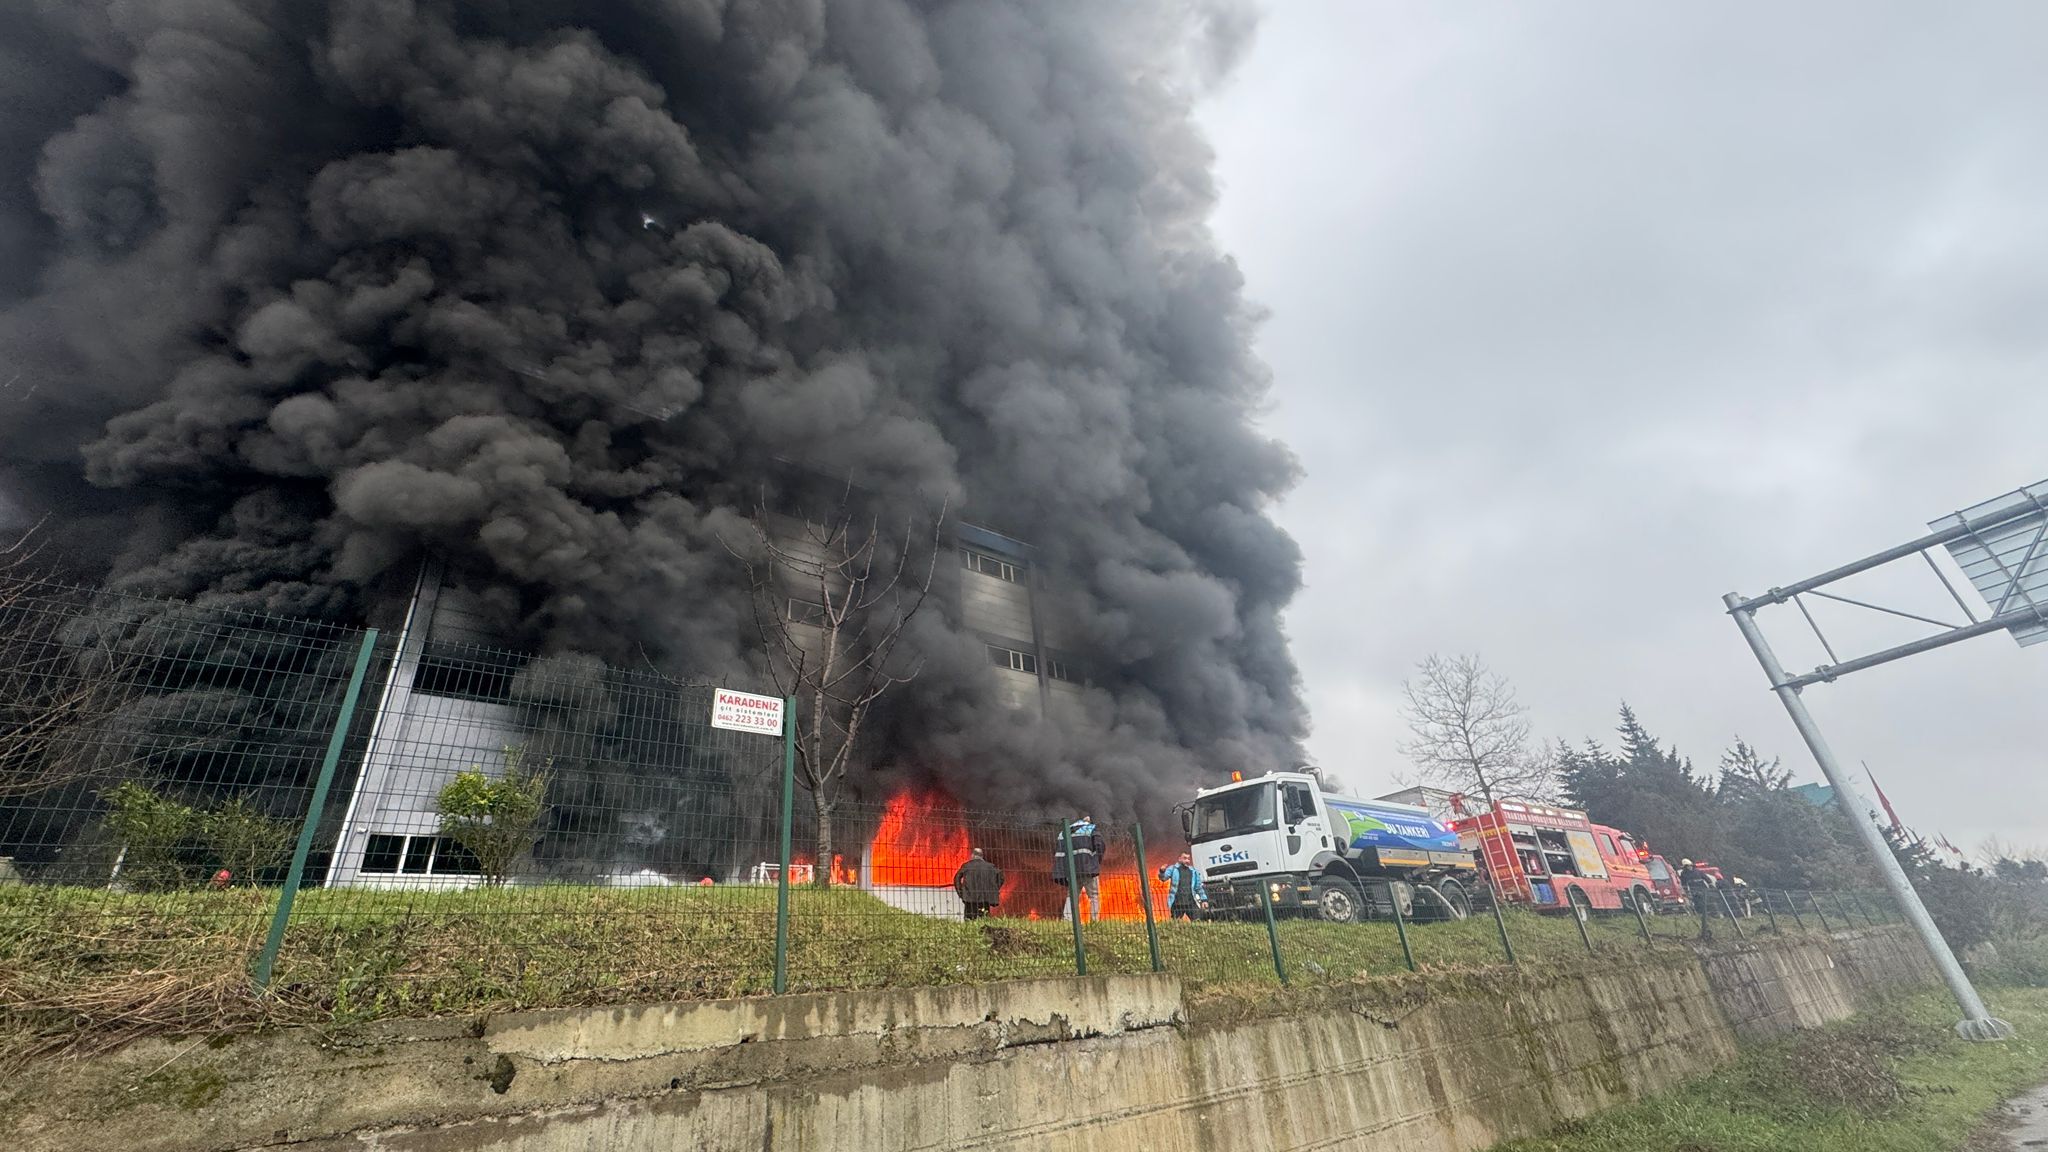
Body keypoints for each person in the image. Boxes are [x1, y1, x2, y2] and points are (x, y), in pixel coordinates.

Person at [1052, 813, 1104, 923]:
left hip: (1071, 870)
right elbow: (1100, 846)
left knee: (1071, 896)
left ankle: (1067, 920)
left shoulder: (1065, 832)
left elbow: (1058, 851)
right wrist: (1095, 862)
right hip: (1088, 868)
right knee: (1094, 895)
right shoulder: (1090, 829)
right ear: (1088, 821)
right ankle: (1094, 921)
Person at [953, 848, 1004, 920]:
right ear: (982, 856)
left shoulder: (967, 866)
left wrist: (961, 893)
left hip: (969, 899)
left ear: (973, 855)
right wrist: (994, 889)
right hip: (984, 898)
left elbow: (956, 878)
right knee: (984, 918)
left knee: (969, 919)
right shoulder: (990, 867)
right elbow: (1001, 877)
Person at [1157, 852, 1208, 920]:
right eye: (1185, 858)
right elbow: (1163, 878)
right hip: (1177, 903)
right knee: (1175, 923)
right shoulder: (1173, 869)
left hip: (1191, 902)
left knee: (1198, 920)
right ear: (1179, 859)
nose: (1187, 861)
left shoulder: (1193, 871)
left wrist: (1204, 899)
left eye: (1188, 859)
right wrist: (1162, 871)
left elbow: (1198, 887)